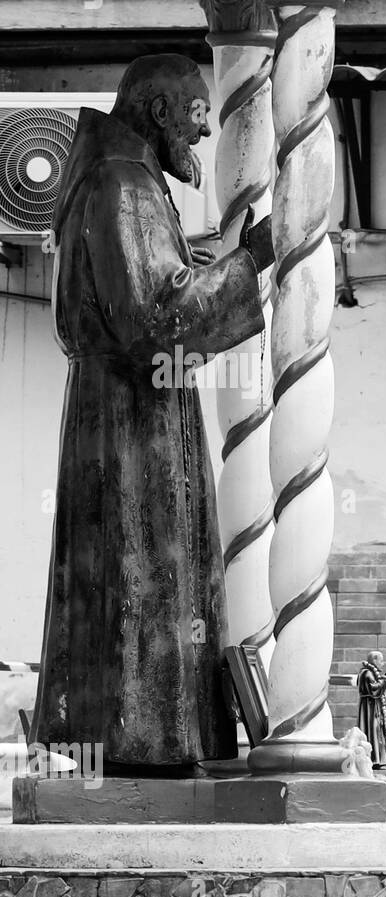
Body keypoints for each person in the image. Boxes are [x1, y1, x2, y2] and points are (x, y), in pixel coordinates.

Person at [32, 54, 276, 771]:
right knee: (139, 581)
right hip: (133, 426)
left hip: (124, 415)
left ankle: (140, 737)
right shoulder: (122, 186)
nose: (205, 131)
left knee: (131, 583)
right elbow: (153, 318)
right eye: (199, 113)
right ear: (162, 110)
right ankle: (145, 740)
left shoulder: (118, 179)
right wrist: (249, 262)